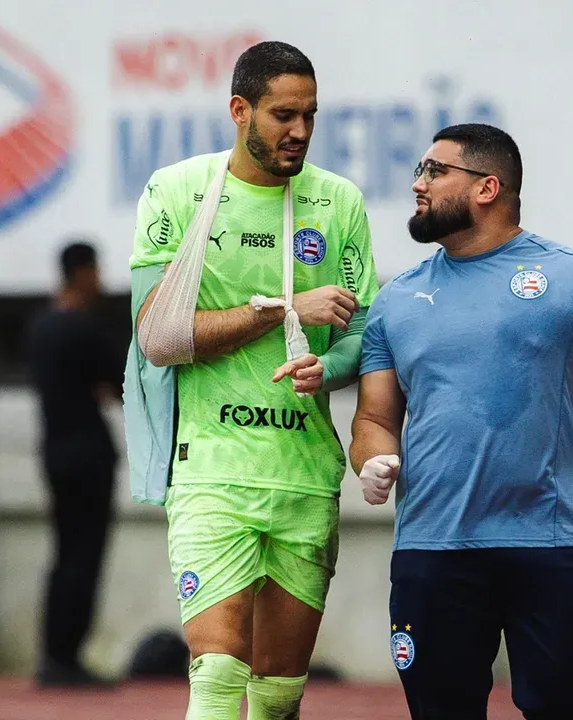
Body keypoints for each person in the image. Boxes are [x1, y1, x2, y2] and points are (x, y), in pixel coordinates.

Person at [349, 123, 573, 720]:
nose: (417, 184)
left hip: (551, 547)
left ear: (487, 187)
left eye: (434, 171)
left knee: (567, 711)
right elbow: (374, 417)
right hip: (433, 547)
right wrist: (371, 462)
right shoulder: (395, 299)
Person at [125, 41, 380, 719]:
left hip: (303, 476)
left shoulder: (337, 201)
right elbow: (160, 338)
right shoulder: (177, 191)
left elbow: (364, 337)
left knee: (276, 696)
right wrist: (283, 310)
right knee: (215, 674)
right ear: (239, 110)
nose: (299, 131)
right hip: (210, 472)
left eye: (310, 116)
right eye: (282, 115)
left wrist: (329, 365)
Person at [27, 241, 123, 688]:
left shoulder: (41, 327)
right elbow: (122, 380)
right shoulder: (85, 329)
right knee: (84, 557)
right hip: (88, 454)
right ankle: (67, 658)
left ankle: (53, 653)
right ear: (83, 272)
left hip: (53, 450)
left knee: (62, 554)